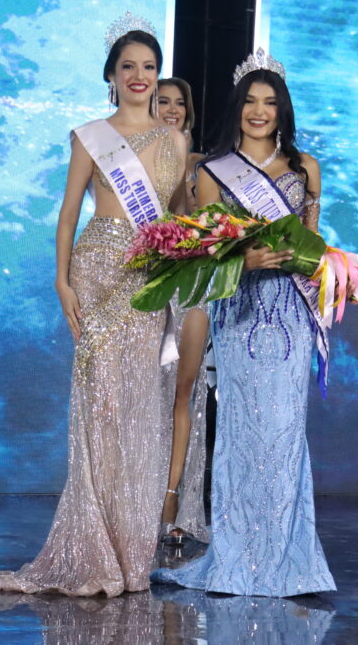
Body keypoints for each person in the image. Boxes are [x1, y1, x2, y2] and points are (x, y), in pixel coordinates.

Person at [0, 14, 186, 597]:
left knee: (139, 408)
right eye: (129, 66)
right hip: (96, 269)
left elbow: (176, 217)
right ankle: (91, 546)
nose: (140, 75)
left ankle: (129, 550)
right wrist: (61, 281)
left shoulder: (175, 141)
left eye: (149, 66)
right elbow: (69, 212)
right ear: (111, 76)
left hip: (148, 275)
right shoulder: (90, 136)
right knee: (100, 402)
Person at [152, 49, 336, 596]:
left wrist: (319, 266)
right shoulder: (212, 173)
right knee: (241, 431)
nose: (259, 112)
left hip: (291, 314)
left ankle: (288, 562)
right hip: (241, 313)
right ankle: (239, 559)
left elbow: (314, 244)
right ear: (238, 108)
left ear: (282, 110)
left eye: (269, 103)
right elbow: (207, 259)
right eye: (250, 102)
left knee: (285, 433)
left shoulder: (305, 169)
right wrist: (246, 260)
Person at [156, 77, 210, 545]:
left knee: (182, 393)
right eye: (163, 101)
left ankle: (173, 500)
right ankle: (136, 498)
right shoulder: (129, 164)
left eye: (180, 103)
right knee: (141, 396)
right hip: (147, 285)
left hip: (192, 287)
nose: (172, 108)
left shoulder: (202, 166)